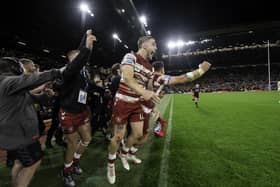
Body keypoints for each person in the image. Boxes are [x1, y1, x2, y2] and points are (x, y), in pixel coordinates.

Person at [0, 57, 63, 187]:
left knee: (19, 162)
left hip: (14, 134)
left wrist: (46, 96)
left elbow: (31, 98)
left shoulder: (8, 84)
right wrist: (57, 72)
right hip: (19, 136)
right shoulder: (7, 81)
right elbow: (34, 79)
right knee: (33, 163)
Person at [107, 36, 160, 184]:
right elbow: (128, 79)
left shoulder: (151, 67)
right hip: (122, 102)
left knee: (137, 134)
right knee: (118, 137)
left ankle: (124, 154)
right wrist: (144, 92)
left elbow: (149, 89)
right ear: (143, 44)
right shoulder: (130, 56)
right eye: (153, 44)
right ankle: (110, 163)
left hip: (137, 102)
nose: (155, 48)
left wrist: (152, 105)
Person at [58, 30, 96, 187]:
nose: (82, 61)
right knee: (72, 144)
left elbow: (82, 57)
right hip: (69, 113)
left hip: (81, 110)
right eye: (78, 59)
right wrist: (87, 47)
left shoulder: (83, 70)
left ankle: (75, 162)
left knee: (87, 139)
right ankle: (66, 172)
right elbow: (82, 57)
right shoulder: (69, 71)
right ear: (70, 61)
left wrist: (85, 37)